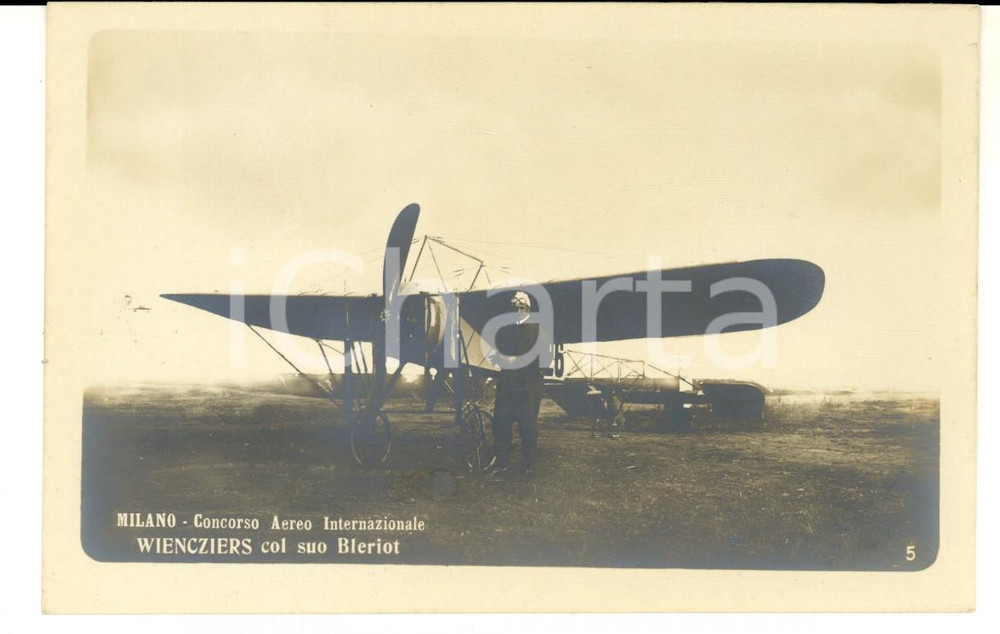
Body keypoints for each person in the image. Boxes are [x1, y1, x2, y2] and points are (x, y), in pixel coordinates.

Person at [489, 290, 549, 477]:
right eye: (515, 305)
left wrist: (519, 360)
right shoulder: (504, 330)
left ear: (528, 307)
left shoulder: (539, 329)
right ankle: (502, 463)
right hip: (507, 383)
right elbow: (497, 354)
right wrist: (499, 359)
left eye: (521, 305)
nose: (518, 308)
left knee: (528, 425)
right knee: (501, 423)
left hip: (529, 384)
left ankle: (527, 464)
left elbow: (545, 359)